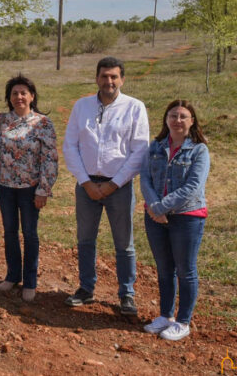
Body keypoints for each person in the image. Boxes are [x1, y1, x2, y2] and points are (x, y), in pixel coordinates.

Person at [63, 56, 149, 315]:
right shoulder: (82, 106)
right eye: (104, 76)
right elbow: (70, 146)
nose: (108, 81)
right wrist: (86, 182)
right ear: (96, 78)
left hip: (119, 187)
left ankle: (126, 294)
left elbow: (139, 150)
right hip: (87, 185)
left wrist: (113, 184)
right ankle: (86, 289)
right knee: (85, 239)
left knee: (124, 243)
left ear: (122, 79)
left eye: (114, 76)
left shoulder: (134, 107)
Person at [140, 100, 209, 341]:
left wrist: (161, 206)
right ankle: (165, 316)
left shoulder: (199, 150)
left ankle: (183, 321)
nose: (177, 120)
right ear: (166, 119)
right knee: (164, 268)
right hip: (155, 217)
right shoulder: (156, 147)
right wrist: (154, 206)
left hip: (186, 217)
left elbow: (193, 186)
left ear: (192, 121)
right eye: (173, 115)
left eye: (183, 116)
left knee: (185, 269)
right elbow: (145, 179)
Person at [0, 75, 58, 302]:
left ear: (32, 96)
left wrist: (44, 190)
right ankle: (12, 275)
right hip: (5, 186)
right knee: (9, 231)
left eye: (23, 93)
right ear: (9, 98)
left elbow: (50, 158)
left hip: (31, 188)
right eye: (14, 93)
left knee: (29, 233)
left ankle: (30, 281)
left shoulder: (43, 123)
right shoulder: (1, 120)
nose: (19, 97)